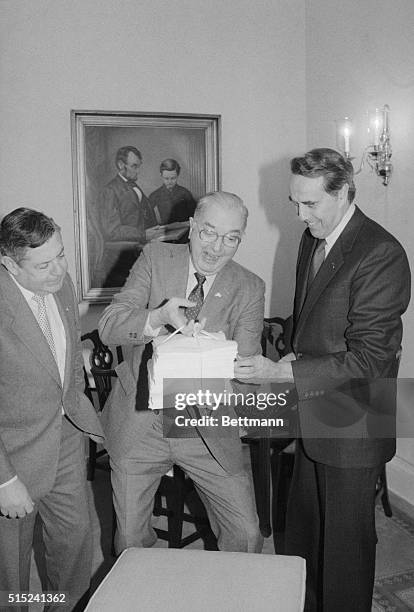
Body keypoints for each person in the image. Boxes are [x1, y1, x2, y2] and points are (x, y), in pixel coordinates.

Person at [235, 148, 411, 612]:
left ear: (344, 193)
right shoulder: (313, 237)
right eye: (295, 201)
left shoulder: (381, 253)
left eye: (309, 203)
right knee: (305, 535)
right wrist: (291, 346)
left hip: (356, 420)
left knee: (346, 551)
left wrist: (282, 371)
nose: (299, 213)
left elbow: (371, 359)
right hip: (314, 409)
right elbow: (309, 315)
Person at [98, 191, 264, 555]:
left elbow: (246, 369)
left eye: (231, 238)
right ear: (191, 227)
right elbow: (109, 327)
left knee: (247, 533)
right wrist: (156, 318)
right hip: (142, 420)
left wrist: (249, 372)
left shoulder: (249, 287)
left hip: (206, 425)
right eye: (208, 232)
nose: (217, 248)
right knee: (129, 542)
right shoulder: (156, 258)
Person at [0, 208, 104, 612]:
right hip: (12, 454)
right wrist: (4, 481)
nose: (58, 270)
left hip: (63, 439)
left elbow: (65, 365)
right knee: (10, 571)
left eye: (61, 255)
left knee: (75, 543)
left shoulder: (61, 286)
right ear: (9, 264)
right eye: (44, 264)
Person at [149, 158, 196, 224]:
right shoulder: (154, 196)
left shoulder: (185, 193)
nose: (169, 181)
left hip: (184, 230)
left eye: (173, 178)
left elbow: (194, 216)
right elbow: (148, 218)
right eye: (166, 178)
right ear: (161, 175)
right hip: (164, 231)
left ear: (178, 175)